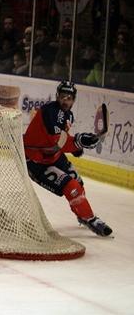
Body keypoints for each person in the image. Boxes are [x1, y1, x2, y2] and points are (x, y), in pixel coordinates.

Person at [23, 80, 112, 236]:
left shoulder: (68, 114)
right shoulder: (51, 112)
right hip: (37, 162)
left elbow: (62, 140)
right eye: (63, 96)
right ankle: (90, 218)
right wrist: (79, 141)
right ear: (57, 96)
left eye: (69, 97)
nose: (65, 100)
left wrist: (76, 146)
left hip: (54, 157)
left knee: (78, 183)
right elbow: (56, 142)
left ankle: (82, 215)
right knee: (72, 187)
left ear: (73, 100)